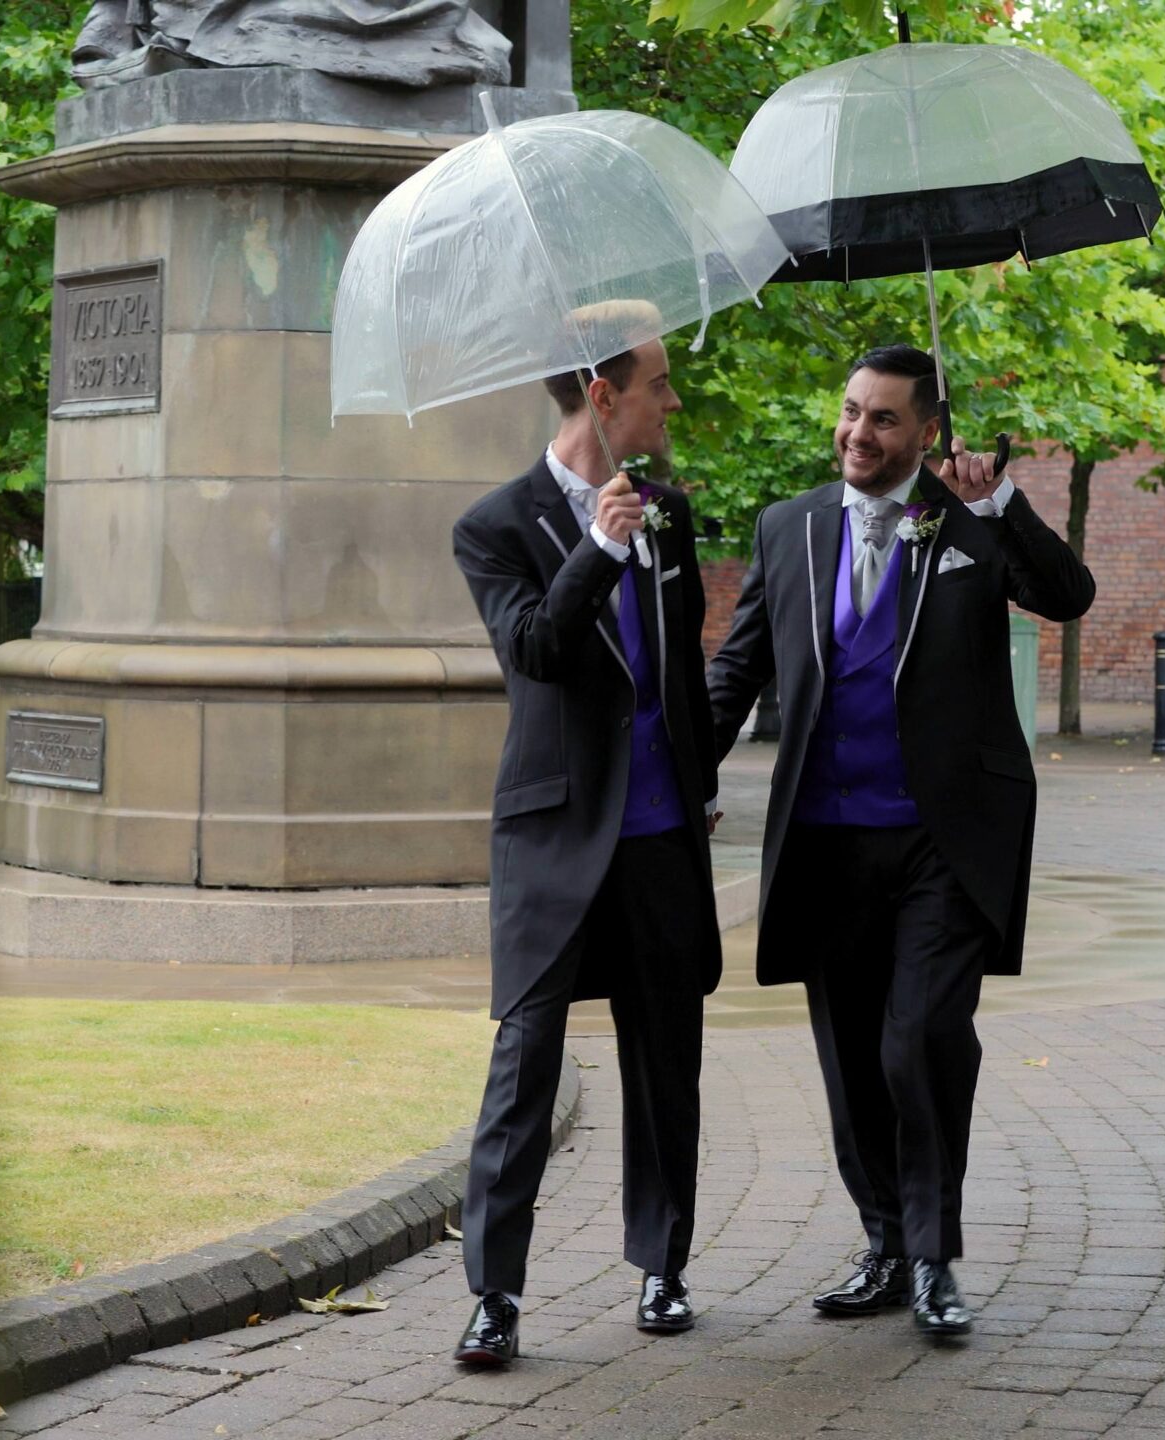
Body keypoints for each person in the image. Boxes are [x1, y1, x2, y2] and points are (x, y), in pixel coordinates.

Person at [706, 344, 1093, 1337]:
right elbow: (736, 671)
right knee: (850, 1058)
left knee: (919, 1039)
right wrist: (674, 776)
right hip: (826, 844)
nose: (858, 434)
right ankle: (882, 1242)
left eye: (883, 419)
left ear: (927, 430)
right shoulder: (787, 529)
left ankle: (933, 1258)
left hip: (942, 841)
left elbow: (1064, 594)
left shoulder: (962, 522)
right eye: (849, 412)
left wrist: (1000, 500)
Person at [447, 301, 725, 1367]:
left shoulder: (669, 508)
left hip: (659, 832)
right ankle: (494, 1296)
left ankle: (663, 1269)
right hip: (553, 837)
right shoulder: (495, 524)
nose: (671, 400)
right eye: (657, 383)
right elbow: (537, 650)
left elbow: (684, 671)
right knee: (524, 1061)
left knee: (668, 1059)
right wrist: (600, 548)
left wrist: (700, 784)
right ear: (602, 398)